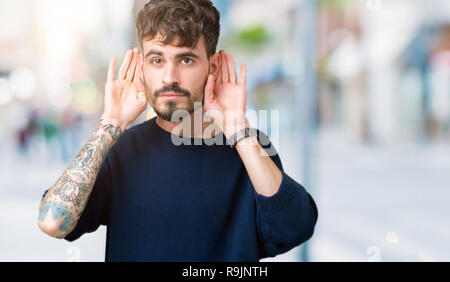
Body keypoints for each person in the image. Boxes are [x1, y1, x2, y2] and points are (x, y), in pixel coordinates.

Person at [38, 0, 318, 262]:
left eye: (185, 60)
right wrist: (110, 124)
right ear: (142, 67)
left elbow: (295, 228)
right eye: (157, 60)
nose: (169, 77)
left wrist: (237, 128)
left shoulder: (249, 148)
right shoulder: (122, 150)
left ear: (213, 65)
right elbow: (53, 222)